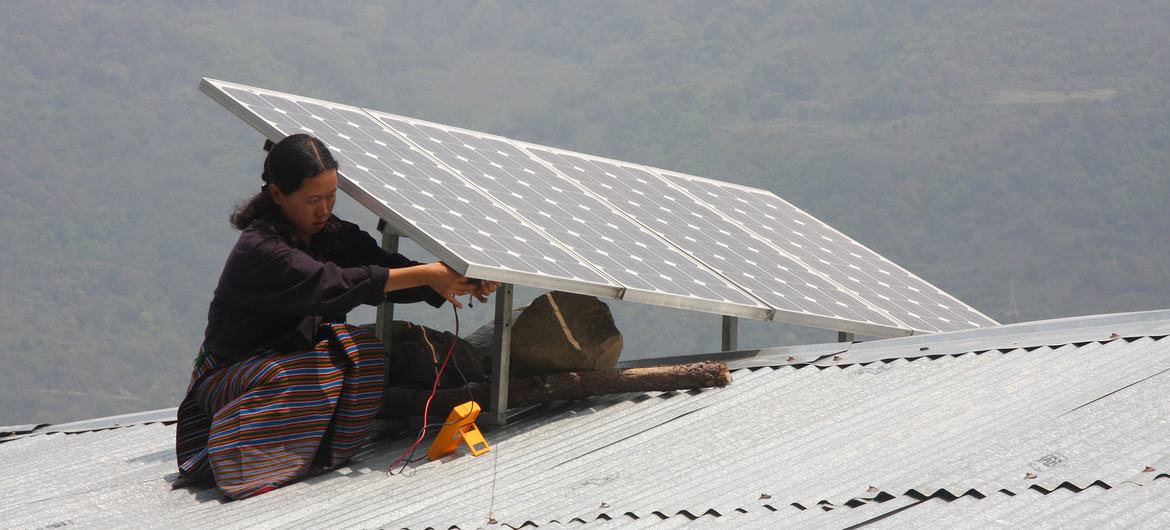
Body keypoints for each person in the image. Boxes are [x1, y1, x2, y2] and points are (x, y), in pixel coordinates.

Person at [173, 133, 497, 500]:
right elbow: (330, 285)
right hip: (234, 378)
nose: (323, 210)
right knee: (297, 374)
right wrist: (426, 274)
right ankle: (241, 462)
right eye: (313, 200)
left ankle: (314, 456)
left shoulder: (331, 235)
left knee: (364, 352)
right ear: (278, 194)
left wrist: (454, 279)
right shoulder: (261, 250)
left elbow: (385, 270)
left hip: (290, 367)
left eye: (330, 197)